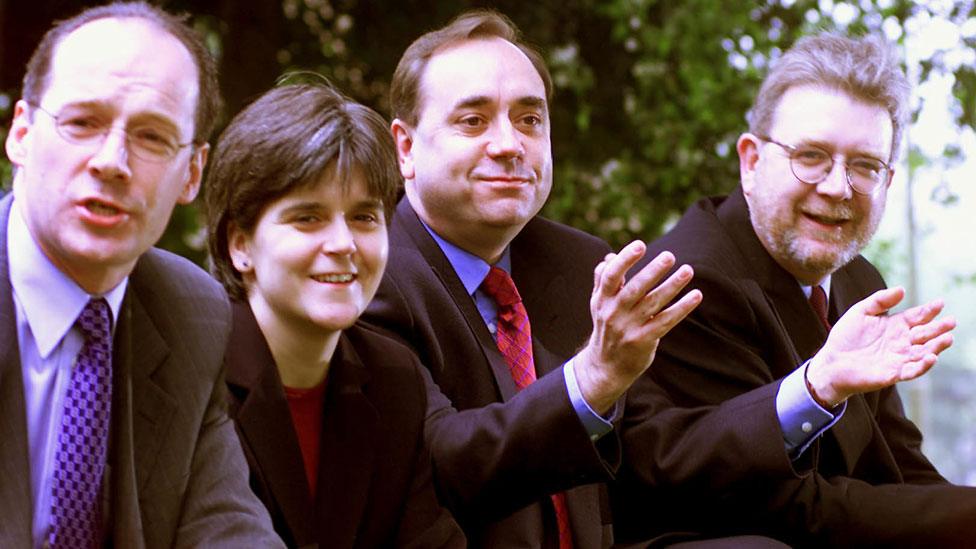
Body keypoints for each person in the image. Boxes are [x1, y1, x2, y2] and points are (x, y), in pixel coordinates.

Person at [612, 32, 972, 547]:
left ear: (889, 180)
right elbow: (775, 507)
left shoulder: (857, 279)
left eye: (865, 166)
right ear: (752, 162)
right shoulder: (690, 281)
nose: (837, 187)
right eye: (812, 156)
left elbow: (897, 466)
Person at [361, 9, 702, 548]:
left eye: (529, 119)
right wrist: (591, 378)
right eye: (473, 121)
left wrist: (811, 391)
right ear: (405, 147)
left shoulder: (576, 263)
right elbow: (442, 466)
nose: (509, 144)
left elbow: (663, 450)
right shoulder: (372, 273)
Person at [0, 3, 284, 548]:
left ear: (192, 174)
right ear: (22, 134)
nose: (112, 161)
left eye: (152, 137)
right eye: (82, 123)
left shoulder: (191, 311)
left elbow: (225, 524)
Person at [204, 82, 466, 548]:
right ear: (239, 244)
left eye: (364, 217)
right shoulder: (196, 372)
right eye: (308, 217)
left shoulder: (394, 378)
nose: (344, 244)